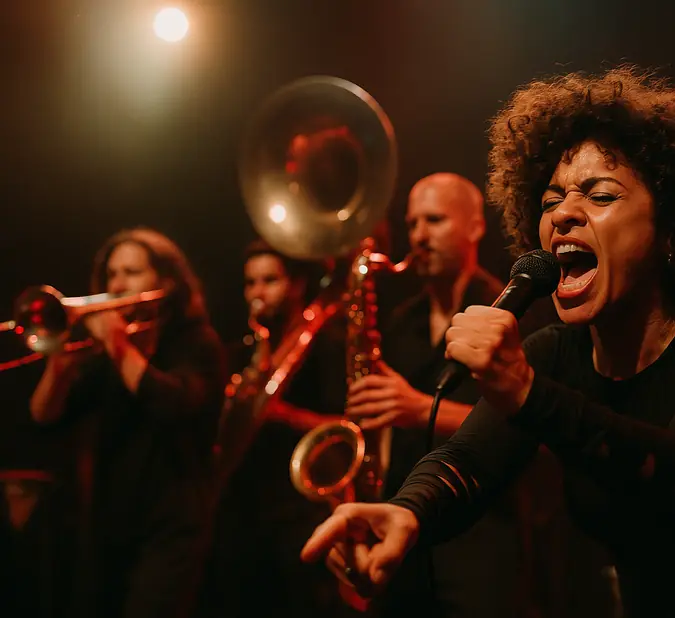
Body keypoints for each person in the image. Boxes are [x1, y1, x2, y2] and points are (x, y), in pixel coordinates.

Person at [300, 66, 675, 617]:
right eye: (549, 201)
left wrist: (525, 393)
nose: (564, 214)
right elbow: (467, 461)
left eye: (600, 195)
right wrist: (407, 512)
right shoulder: (553, 355)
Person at [341, 172, 560, 618]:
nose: (419, 236)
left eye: (435, 220)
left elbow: (532, 429)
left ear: (475, 227)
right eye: (413, 223)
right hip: (405, 522)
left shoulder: (514, 311)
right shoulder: (401, 322)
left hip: (484, 531)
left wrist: (417, 408)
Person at [28, 227, 227, 618]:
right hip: (111, 521)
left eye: (131, 272)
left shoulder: (196, 342)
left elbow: (174, 402)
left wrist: (118, 347)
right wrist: (59, 369)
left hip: (173, 526)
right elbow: (44, 418)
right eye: (112, 274)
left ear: (166, 282)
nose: (117, 285)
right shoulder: (106, 354)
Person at [197, 239, 350, 618]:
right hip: (245, 511)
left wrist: (281, 414)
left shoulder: (326, 345)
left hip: (301, 508)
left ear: (297, 285)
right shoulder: (242, 351)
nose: (258, 293)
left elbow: (347, 429)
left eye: (270, 280)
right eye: (251, 283)